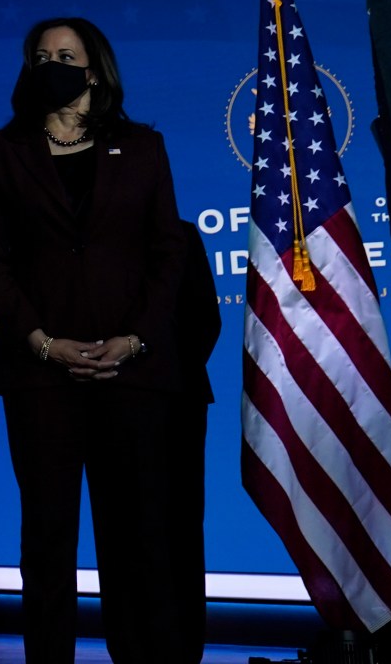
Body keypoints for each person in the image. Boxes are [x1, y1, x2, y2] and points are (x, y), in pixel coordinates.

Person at [0, 18, 187, 664]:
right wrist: (42, 341)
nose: (52, 64)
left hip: (131, 375)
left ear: (94, 70)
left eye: (66, 55)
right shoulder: (1, 152)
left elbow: (167, 253)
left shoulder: (143, 148)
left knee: (136, 538)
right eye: (41, 56)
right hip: (40, 376)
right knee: (47, 538)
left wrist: (135, 340)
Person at [166, 218, 222, 663]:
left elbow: (207, 318)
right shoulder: (88, 234)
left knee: (182, 528)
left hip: (177, 400)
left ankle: (185, 646)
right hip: (107, 404)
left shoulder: (180, 234)